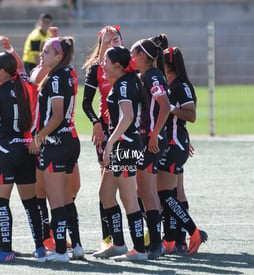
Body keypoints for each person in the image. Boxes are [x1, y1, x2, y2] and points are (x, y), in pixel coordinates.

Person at [0, 52, 44, 263]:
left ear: (2, 71)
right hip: (27, 151)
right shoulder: (25, 88)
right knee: (31, 204)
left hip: (5, 152)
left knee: (0, 202)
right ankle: (40, 248)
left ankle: (5, 250)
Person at [29, 36, 81, 262]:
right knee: (66, 198)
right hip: (69, 140)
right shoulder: (67, 72)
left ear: (59, 56)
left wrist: (38, 138)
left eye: (47, 51)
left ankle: (60, 251)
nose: (42, 54)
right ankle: (76, 245)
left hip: (55, 142)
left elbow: (57, 115)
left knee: (56, 199)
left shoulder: (56, 79)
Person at [99, 46, 148, 261]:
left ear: (118, 65)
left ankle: (139, 250)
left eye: (107, 61)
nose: (103, 64)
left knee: (129, 199)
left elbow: (127, 116)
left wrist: (110, 143)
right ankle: (118, 244)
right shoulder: (121, 82)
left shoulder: (125, 84)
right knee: (106, 194)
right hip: (120, 146)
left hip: (125, 147)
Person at [157, 46, 207, 255]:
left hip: (174, 145)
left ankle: (192, 231)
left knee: (164, 194)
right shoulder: (171, 84)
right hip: (175, 143)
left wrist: (170, 109)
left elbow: (191, 115)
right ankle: (173, 241)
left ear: (167, 65)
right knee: (173, 193)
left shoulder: (180, 86)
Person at [82, 25, 124, 255]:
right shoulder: (96, 69)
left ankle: (147, 235)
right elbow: (86, 103)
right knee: (106, 187)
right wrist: (97, 122)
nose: (113, 43)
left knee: (136, 186)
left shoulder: (131, 64)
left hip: (130, 131)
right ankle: (108, 237)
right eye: (108, 40)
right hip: (106, 130)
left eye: (116, 39)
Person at [130, 38, 171, 260]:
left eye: (134, 53)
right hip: (149, 137)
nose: (131, 57)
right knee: (147, 191)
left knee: (144, 191)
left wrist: (154, 134)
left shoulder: (151, 75)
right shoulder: (147, 75)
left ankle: (156, 243)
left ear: (144, 56)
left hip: (150, 139)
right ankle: (158, 242)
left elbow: (165, 106)